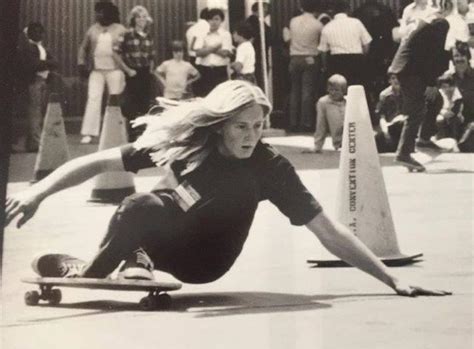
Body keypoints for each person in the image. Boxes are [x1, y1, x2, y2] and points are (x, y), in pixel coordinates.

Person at [5, 80, 451, 298]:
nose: (250, 137)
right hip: (165, 239)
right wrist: (37, 191)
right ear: (220, 126)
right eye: (241, 127)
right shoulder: (186, 143)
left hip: (208, 261)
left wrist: (392, 278)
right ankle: (127, 262)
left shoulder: (270, 167)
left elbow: (327, 230)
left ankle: (95, 271)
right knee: (140, 203)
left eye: (257, 127)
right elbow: (97, 161)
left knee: (144, 203)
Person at [388, 0, 453, 171]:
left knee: (435, 100)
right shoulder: (441, 22)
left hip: (406, 66)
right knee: (416, 111)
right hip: (411, 69)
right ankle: (404, 153)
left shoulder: (427, 19)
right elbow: (434, 54)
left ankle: (423, 138)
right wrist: (431, 82)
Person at [78, 1, 127, 145]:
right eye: (97, 12)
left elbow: (127, 48)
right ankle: (89, 133)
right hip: (97, 71)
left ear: (108, 12)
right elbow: (83, 47)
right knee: (93, 99)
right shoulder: (93, 29)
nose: (97, 14)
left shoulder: (120, 29)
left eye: (100, 11)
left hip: (115, 71)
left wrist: (127, 69)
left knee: (116, 100)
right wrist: (81, 63)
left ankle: (118, 131)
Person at [15, 22, 57, 153]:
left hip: (41, 81)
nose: (39, 34)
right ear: (29, 33)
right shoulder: (29, 48)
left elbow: (54, 62)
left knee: (37, 111)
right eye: (35, 31)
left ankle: (32, 142)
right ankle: (35, 142)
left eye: (41, 31)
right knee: (35, 112)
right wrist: (48, 64)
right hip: (34, 82)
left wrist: (46, 64)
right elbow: (34, 65)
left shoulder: (40, 47)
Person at [114, 5, 155, 142]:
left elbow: (151, 56)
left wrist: (150, 70)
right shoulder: (126, 34)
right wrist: (127, 70)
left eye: (144, 17)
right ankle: (132, 137)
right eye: (138, 17)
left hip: (145, 72)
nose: (141, 20)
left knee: (145, 104)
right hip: (133, 72)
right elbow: (115, 53)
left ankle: (144, 136)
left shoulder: (148, 35)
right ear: (133, 19)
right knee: (132, 105)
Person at [353, 0, 398, 111]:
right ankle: (382, 104)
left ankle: (370, 107)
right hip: (383, 50)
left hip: (366, 50)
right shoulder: (385, 10)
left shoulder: (359, 11)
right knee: (383, 77)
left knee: (367, 79)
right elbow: (392, 31)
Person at [318, 0, 372, 88]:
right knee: (356, 88)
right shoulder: (356, 23)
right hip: (356, 59)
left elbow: (323, 51)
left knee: (339, 89)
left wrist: (325, 66)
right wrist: (362, 57)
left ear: (333, 11)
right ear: (348, 10)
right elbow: (367, 43)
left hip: (336, 61)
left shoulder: (327, 27)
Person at [288, 0, 323, 132]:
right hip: (310, 58)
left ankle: (293, 122)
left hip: (294, 58)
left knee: (294, 90)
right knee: (307, 91)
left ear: (302, 7)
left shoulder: (293, 21)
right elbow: (321, 43)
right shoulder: (318, 24)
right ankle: (306, 123)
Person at [193, 8, 233, 96]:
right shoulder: (202, 34)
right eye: (210, 19)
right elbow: (198, 53)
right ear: (207, 20)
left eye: (216, 19)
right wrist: (216, 47)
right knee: (204, 96)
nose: (213, 22)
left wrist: (207, 48)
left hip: (220, 71)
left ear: (221, 20)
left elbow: (225, 53)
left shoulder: (225, 35)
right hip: (204, 70)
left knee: (221, 97)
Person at [304, 74, 347, 153]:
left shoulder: (349, 100)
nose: (333, 93)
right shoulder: (324, 102)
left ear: (343, 91)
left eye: (336, 90)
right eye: (331, 89)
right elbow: (321, 125)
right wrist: (318, 145)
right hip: (340, 143)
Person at [450, 42, 474, 151]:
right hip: (452, 123)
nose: (459, 59)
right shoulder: (446, 78)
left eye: (462, 55)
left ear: (468, 57)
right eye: (456, 56)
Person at [375, 73, 406, 153]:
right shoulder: (384, 95)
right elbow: (381, 116)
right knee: (379, 139)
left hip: (404, 124)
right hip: (390, 125)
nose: (396, 80)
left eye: (399, 78)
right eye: (393, 78)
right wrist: (385, 131)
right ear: (389, 80)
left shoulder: (407, 92)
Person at [245, 1, 273, 90]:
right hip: (258, 57)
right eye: (265, 10)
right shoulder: (257, 24)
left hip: (255, 56)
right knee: (259, 84)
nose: (267, 13)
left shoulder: (248, 22)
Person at [436, 73, 465, 140]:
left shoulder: (457, 95)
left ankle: (454, 140)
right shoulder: (439, 93)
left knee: (454, 120)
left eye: (448, 86)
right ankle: (440, 141)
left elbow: (455, 111)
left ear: (453, 86)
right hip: (441, 114)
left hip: (455, 116)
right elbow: (436, 107)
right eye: (443, 87)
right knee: (439, 120)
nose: (446, 89)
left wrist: (447, 114)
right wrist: (442, 113)